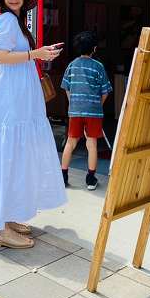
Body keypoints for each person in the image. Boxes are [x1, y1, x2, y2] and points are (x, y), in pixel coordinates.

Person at [0, 0, 67, 249]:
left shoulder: (15, 21)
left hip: (18, 95)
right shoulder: (5, 20)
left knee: (12, 156)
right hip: (12, 97)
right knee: (8, 155)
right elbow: (1, 56)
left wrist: (39, 53)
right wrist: (36, 54)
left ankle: (7, 217)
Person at [61, 31, 112, 190]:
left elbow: (66, 87)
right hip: (93, 112)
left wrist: (73, 103)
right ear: (94, 49)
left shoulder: (72, 65)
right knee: (92, 145)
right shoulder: (98, 67)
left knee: (70, 142)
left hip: (75, 110)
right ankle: (90, 179)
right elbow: (105, 91)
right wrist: (97, 105)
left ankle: (63, 177)